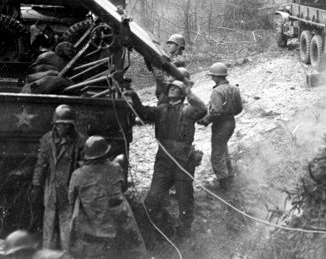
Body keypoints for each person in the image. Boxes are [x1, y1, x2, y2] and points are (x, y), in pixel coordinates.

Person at [124, 80, 206, 237]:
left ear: (182, 94)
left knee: (184, 196)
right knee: (154, 195)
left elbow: (202, 110)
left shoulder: (188, 110)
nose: (172, 90)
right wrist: (133, 95)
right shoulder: (161, 110)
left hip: (184, 159)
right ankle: (152, 227)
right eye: (171, 88)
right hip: (164, 158)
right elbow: (143, 112)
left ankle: (185, 229)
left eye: (176, 88)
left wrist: (189, 93)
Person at [68, 136, 145, 258]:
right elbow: (122, 186)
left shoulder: (77, 174)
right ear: (105, 153)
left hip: (92, 221)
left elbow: (71, 199)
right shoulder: (116, 168)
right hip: (117, 218)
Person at [30, 104, 86, 251]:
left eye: (66, 125)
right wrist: (36, 185)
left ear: (71, 126)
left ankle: (66, 255)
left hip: (69, 191)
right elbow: (41, 163)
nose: (62, 128)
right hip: (51, 191)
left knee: (67, 229)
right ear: (55, 124)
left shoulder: (79, 141)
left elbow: (83, 168)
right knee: (48, 227)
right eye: (59, 125)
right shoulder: (47, 139)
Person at [198, 62, 243, 189]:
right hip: (231, 122)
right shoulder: (234, 88)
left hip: (221, 124)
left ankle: (224, 184)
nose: (212, 78)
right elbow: (239, 108)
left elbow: (216, 111)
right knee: (223, 150)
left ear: (217, 76)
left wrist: (205, 120)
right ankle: (230, 176)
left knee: (217, 155)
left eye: (213, 76)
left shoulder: (217, 91)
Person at [151, 34, 190, 104]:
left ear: (178, 46)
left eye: (171, 44)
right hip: (167, 92)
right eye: (168, 44)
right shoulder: (171, 58)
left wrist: (155, 64)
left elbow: (163, 76)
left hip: (170, 93)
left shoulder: (178, 60)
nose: (168, 45)